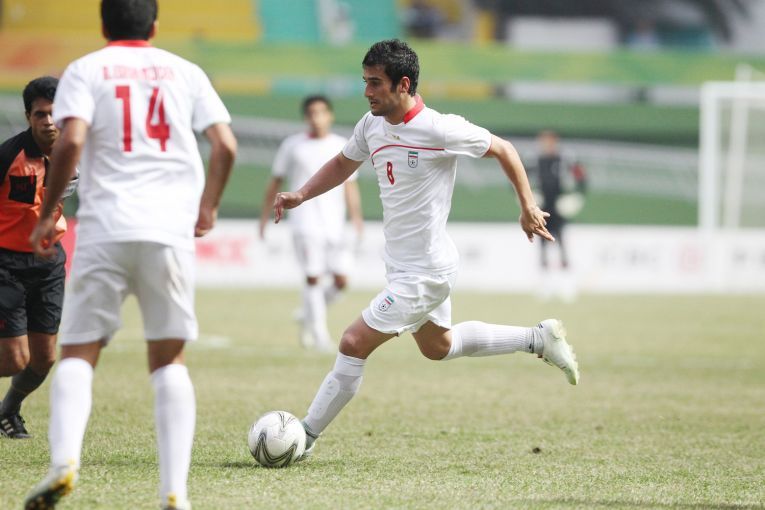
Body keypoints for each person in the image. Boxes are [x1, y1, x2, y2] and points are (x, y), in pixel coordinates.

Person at [274, 39, 580, 460]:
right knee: (438, 347)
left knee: (352, 342)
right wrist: (302, 194)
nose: (367, 92)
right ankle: (538, 338)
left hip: (426, 272)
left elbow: (504, 149)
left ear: (403, 85)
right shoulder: (371, 125)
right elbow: (343, 164)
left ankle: (302, 437)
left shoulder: (440, 128)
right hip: (403, 266)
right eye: (365, 81)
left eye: (375, 83)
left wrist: (527, 205)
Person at [24, 1, 237, 509]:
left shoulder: (85, 70)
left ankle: (64, 464)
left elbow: (71, 141)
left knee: (79, 352)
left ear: (103, 24)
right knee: (168, 359)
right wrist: (208, 206)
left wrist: (48, 212)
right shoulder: (185, 72)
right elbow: (225, 145)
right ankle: (175, 492)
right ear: (154, 25)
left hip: (106, 227)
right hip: (168, 230)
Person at [0, 76, 76, 439]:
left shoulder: (77, 152)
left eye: (54, 113)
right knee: (14, 359)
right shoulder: (8, 157)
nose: (48, 121)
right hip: (5, 264)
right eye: (40, 114)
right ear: (28, 117)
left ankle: (8, 410)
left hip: (48, 264)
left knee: (43, 359)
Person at [259, 95, 363, 352]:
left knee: (341, 281)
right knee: (313, 277)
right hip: (305, 223)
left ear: (330, 115)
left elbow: (350, 186)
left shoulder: (341, 145)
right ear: (306, 117)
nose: (317, 118)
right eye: (312, 113)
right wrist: (264, 219)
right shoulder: (293, 146)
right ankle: (319, 336)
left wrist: (357, 219)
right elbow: (275, 182)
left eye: (322, 112)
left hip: (335, 224)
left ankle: (308, 314)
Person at [531, 130, 587, 272]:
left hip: (558, 203)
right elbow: (519, 176)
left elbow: (581, 176)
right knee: (541, 233)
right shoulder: (535, 160)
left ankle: (565, 264)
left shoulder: (564, 160)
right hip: (542, 205)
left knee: (560, 234)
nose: (546, 145)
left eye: (550, 142)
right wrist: (526, 196)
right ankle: (543, 265)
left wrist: (577, 195)